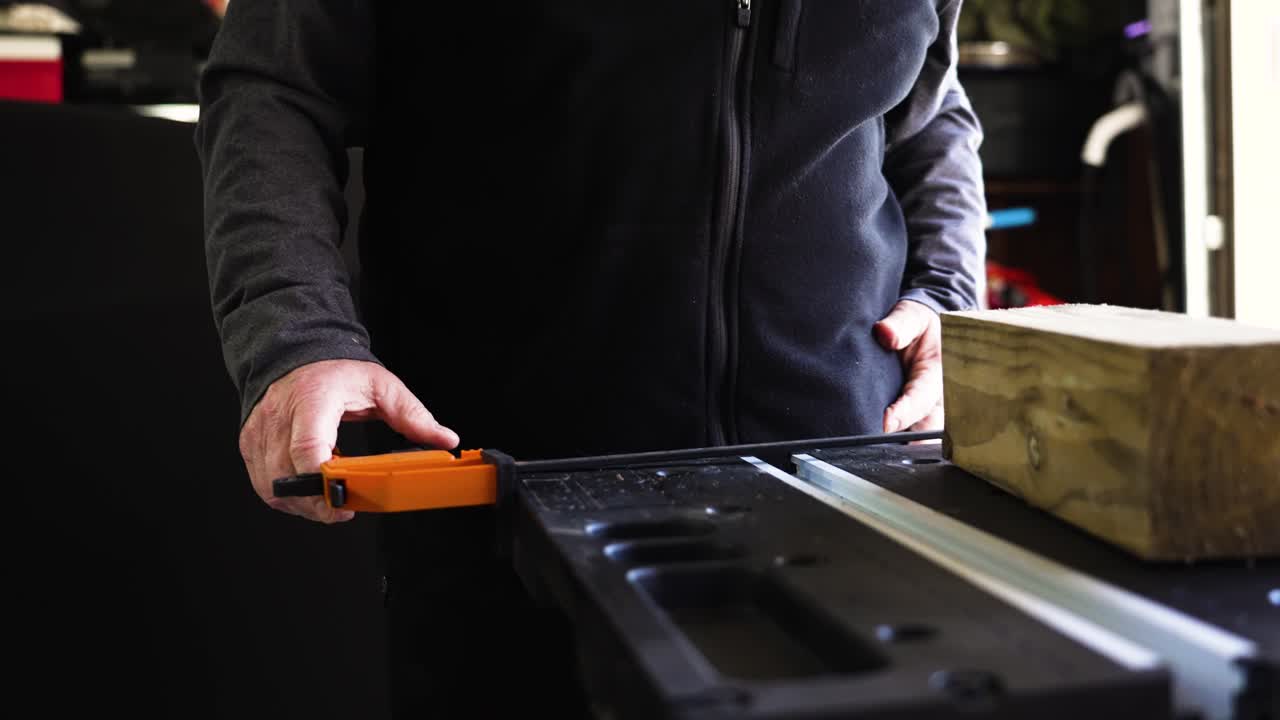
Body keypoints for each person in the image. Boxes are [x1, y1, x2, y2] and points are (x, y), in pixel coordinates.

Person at [195, 1, 986, 716]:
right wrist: (296, 337)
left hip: (848, 482)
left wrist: (950, 295)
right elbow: (278, 87)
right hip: (506, 498)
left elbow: (929, 109)